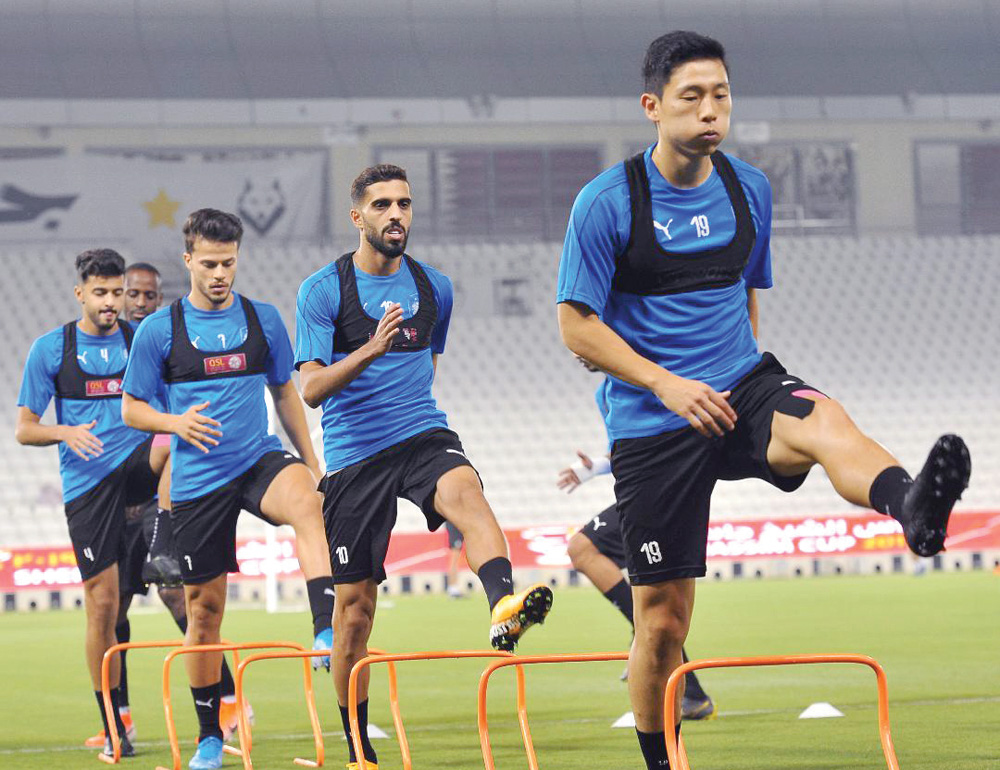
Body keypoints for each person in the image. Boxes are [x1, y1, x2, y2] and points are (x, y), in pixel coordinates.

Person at [556, 31, 971, 770]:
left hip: (741, 385)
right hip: (654, 422)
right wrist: (666, 381)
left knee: (823, 417)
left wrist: (748, 376)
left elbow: (743, 288)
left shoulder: (750, 188)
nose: (710, 109)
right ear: (652, 107)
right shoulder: (606, 203)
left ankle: (912, 508)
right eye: (692, 96)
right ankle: (662, 761)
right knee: (662, 622)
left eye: (721, 94)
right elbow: (574, 326)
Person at [296, 164, 553, 770]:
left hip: (420, 433)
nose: (396, 215)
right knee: (354, 609)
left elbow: (428, 366)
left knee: (467, 490)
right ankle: (358, 748)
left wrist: (405, 396)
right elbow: (309, 390)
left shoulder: (436, 287)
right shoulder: (324, 290)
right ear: (357, 216)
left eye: (404, 204)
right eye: (382, 204)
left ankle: (503, 607)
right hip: (355, 457)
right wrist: (370, 349)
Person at [121, 209, 334, 770]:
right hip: (199, 478)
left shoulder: (262, 320)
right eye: (210, 263)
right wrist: (174, 423)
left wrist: (312, 462)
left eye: (229, 263)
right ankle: (209, 736)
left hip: (256, 457)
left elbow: (286, 393)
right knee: (204, 614)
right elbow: (131, 408)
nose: (220, 273)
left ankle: (324, 627)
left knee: (309, 504)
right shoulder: (158, 331)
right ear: (188, 260)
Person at [84, 262, 248, 748]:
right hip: (114, 503)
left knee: (182, 600)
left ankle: (232, 702)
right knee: (113, 613)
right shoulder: (102, 346)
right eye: (130, 293)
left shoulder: (163, 343)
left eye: (147, 295)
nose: (137, 302)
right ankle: (121, 718)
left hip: (160, 496)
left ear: (158, 299)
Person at [15, 249, 161, 758]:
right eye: (100, 293)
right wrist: (64, 432)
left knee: (172, 442)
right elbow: (24, 428)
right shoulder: (51, 350)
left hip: (138, 469)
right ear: (81, 293)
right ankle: (112, 722)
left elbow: (163, 409)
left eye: (117, 293)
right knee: (102, 606)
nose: (110, 302)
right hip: (89, 488)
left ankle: (166, 527)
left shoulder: (138, 341)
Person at [560, 364, 715, 720]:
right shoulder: (611, 388)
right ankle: (683, 684)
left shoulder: (652, 373)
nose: (579, 354)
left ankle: (677, 678)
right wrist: (595, 468)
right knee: (588, 553)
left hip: (663, 491)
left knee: (585, 549)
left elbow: (664, 440)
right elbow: (635, 447)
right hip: (643, 489)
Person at [444, 522, 466, 598]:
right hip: (454, 526)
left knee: (455, 559)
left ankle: (453, 587)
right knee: (454, 559)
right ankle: (452, 587)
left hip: (455, 525)